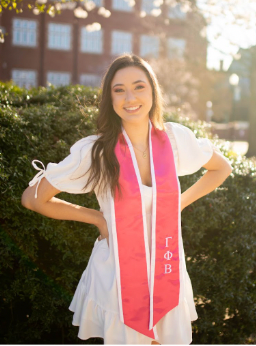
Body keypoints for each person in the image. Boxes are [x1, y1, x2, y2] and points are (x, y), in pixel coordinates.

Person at [21, 54, 232, 345]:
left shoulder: (173, 140)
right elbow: (33, 199)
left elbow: (222, 168)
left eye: (139, 86)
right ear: (110, 98)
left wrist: (179, 203)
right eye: (119, 89)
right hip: (119, 277)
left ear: (153, 91)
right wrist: (96, 217)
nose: (129, 97)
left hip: (167, 268)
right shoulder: (96, 152)